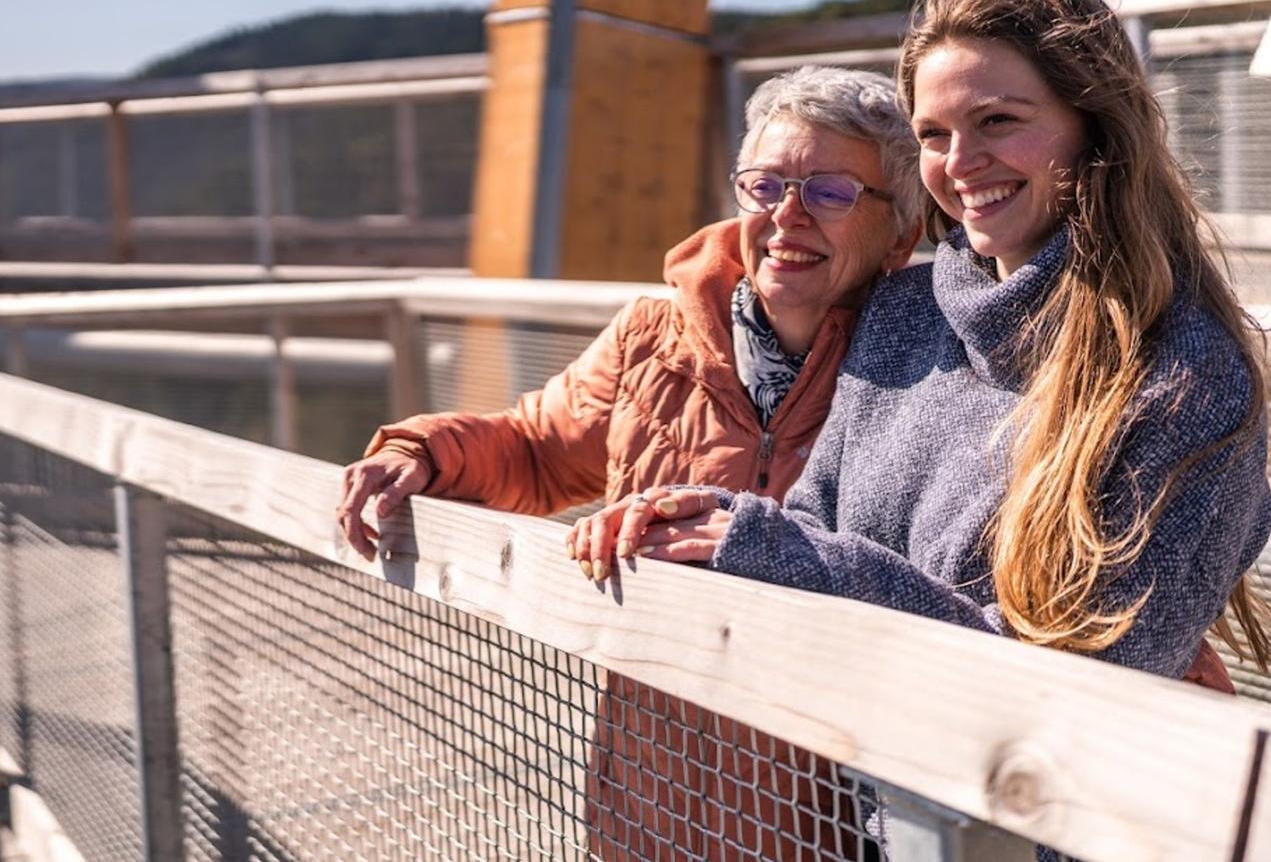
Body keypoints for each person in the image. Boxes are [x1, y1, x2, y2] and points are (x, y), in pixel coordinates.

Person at [584, 0, 1271, 696]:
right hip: (857, 763)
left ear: (1095, 125)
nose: (961, 163)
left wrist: (777, 549)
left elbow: (1082, 686)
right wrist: (702, 519)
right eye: (934, 134)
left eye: (998, 120)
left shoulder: (1185, 378)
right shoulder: (906, 313)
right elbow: (812, 532)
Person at [336, 65, 923, 860]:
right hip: (647, 808)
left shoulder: (924, 372)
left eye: (829, 192)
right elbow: (536, 450)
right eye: (765, 185)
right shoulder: (653, 338)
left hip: (822, 825)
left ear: (901, 233)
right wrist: (422, 451)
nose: (787, 215)